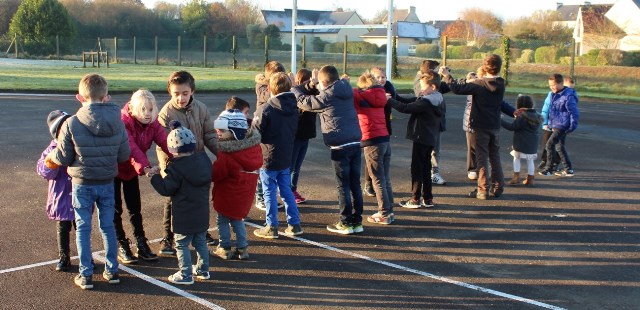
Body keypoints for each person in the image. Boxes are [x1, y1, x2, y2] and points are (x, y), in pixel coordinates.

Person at [45, 73, 130, 289]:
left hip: (82, 182)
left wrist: (50, 158)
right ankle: (112, 271)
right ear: (106, 96)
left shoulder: (72, 123)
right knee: (107, 225)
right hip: (106, 181)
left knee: (83, 228)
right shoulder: (118, 122)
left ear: (80, 97)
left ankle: (86, 275)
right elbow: (123, 156)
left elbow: (63, 157)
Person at [293, 66, 364, 234]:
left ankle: (345, 222)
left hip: (340, 146)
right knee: (355, 183)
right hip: (354, 142)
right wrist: (314, 84)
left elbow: (305, 102)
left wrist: (295, 88)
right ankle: (357, 221)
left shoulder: (326, 96)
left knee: (343, 186)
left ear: (324, 82)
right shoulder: (345, 87)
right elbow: (320, 91)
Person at [156, 71, 218, 256]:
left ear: (192, 91)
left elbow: (209, 135)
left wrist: (223, 155)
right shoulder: (166, 114)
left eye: (185, 93)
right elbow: (162, 145)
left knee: (200, 197)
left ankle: (201, 230)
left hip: (198, 161)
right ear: (170, 92)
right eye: (176, 94)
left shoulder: (201, 108)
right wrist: (167, 170)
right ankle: (168, 237)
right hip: (177, 166)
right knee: (172, 201)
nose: (181, 98)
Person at [150, 121, 212, 285]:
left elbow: (166, 189)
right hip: (201, 213)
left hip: (184, 215)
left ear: (172, 150)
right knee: (200, 242)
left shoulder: (176, 169)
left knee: (182, 244)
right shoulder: (204, 162)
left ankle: (185, 274)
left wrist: (155, 176)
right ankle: (203, 269)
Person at [440, 54, 506, 200]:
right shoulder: (501, 83)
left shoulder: (479, 84)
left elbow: (456, 88)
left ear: (484, 66)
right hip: (494, 124)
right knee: (495, 157)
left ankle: (483, 189)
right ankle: (498, 187)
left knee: (482, 158)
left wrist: (447, 75)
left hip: (480, 125)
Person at [115, 89, 168, 264]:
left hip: (131, 170)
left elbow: (165, 141)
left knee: (134, 207)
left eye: (151, 110)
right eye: (143, 109)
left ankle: (141, 242)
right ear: (133, 108)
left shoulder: (153, 123)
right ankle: (121, 243)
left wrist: (181, 157)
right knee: (115, 209)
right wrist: (145, 167)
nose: (147, 114)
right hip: (114, 169)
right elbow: (131, 148)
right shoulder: (124, 122)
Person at [252, 72, 304, 238]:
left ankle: (271, 225)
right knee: (286, 190)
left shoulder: (266, 109)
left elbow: (256, 134)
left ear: (269, 88)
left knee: (269, 192)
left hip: (268, 156)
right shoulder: (294, 107)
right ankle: (294, 223)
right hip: (285, 154)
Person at [388, 71, 443, 209]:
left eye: (423, 87)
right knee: (426, 168)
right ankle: (428, 198)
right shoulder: (437, 98)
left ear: (433, 87)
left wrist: (388, 100)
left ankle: (415, 199)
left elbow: (405, 108)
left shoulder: (426, 102)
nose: (421, 90)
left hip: (421, 138)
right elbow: (410, 101)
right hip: (430, 138)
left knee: (417, 169)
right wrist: (394, 96)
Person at [211, 109, 262, 259]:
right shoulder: (252, 149)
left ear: (235, 132)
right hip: (244, 195)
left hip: (228, 195)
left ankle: (225, 247)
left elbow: (215, 174)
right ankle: (242, 248)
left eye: (222, 130)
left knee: (222, 221)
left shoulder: (228, 155)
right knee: (238, 220)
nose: (218, 132)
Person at [352, 72, 395, 225]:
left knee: (377, 179)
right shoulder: (381, 95)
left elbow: (352, 93)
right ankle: (389, 210)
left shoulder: (360, 96)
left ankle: (384, 212)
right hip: (384, 139)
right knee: (385, 178)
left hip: (371, 140)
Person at [362, 67, 411, 196]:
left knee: (382, 156)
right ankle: (368, 184)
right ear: (371, 78)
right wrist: (382, 98)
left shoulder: (389, 87)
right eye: (378, 77)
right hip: (372, 128)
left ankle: (380, 183)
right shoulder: (367, 90)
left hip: (385, 126)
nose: (381, 79)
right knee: (372, 157)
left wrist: (418, 99)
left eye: (383, 77)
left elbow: (399, 100)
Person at [37, 110, 74, 272]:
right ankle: (64, 256)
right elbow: (44, 171)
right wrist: (51, 161)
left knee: (82, 229)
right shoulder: (51, 149)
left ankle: (86, 256)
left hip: (79, 195)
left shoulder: (77, 146)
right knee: (63, 228)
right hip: (62, 197)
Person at [254, 61, 287, 210]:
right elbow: (275, 95)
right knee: (263, 167)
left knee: (268, 169)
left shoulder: (268, 89)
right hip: (263, 132)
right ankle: (260, 198)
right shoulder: (264, 90)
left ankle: (268, 197)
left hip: (272, 130)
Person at [414, 60, 449, 185]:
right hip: (426, 125)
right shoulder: (423, 83)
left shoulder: (433, 83)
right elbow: (420, 97)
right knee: (427, 151)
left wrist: (446, 76)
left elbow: (449, 86)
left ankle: (434, 172)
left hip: (436, 123)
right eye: (435, 70)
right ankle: (429, 172)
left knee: (435, 150)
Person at [539, 74, 579, 177]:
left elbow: (574, 112)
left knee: (549, 144)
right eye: (550, 85)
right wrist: (547, 122)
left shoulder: (568, 96)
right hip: (555, 124)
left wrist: (572, 126)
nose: (552, 87)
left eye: (553, 85)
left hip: (563, 125)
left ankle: (549, 169)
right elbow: (550, 109)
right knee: (559, 146)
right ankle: (568, 169)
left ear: (561, 83)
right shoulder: (554, 94)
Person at [290, 69, 318, 204]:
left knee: (297, 166)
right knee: (291, 165)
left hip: (305, 134)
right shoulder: (296, 94)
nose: (310, 84)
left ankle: (292, 189)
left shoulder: (313, 93)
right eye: (307, 81)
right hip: (296, 135)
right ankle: (289, 190)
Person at [501, 95, 542, 186]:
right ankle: (530, 179)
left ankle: (516, 177)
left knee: (517, 158)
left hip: (520, 142)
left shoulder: (522, 117)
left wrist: (501, 121)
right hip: (532, 144)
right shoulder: (537, 116)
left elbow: (512, 127)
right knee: (530, 160)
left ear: (519, 105)